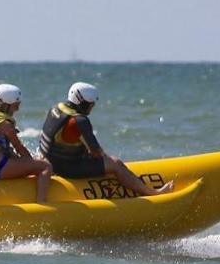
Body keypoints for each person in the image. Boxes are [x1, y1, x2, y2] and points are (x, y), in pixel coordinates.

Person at [39, 82, 173, 197]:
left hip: (50, 162)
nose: (92, 108)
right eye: (90, 104)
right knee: (115, 163)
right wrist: (108, 162)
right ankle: (153, 193)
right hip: (66, 168)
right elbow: (96, 152)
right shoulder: (79, 120)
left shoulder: (56, 109)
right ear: (82, 102)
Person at [0, 84, 52, 202]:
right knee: (45, 166)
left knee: (33, 162)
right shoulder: (6, 124)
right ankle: (42, 203)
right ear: (6, 104)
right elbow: (20, 149)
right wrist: (32, 164)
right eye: (15, 105)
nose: (17, 109)